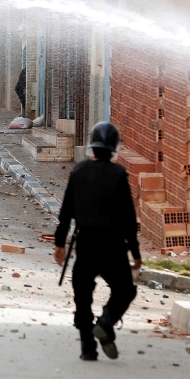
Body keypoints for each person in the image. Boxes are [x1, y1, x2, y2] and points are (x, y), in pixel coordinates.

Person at [53, 122, 140, 362]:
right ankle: (105, 322)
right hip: (113, 245)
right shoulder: (119, 174)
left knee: (82, 296)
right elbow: (128, 218)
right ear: (113, 148)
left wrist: (60, 244)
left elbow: (66, 213)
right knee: (125, 290)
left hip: (86, 244)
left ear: (92, 146)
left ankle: (87, 349)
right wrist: (135, 252)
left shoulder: (78, 171)